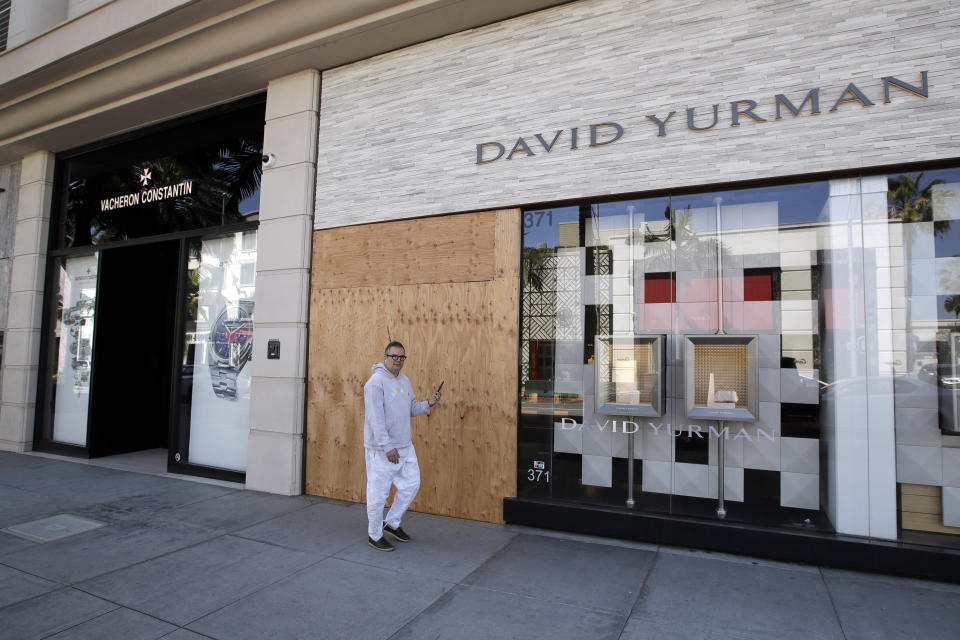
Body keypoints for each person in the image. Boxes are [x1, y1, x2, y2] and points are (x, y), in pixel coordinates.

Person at [363, 341, 441, 551]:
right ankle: (374, 535)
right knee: (378, 494)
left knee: (412, 484)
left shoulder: (404, 381)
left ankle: (392, 523)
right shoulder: (375, 383)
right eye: (394, 356)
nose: (398, 360)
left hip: (405, 446)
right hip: (382, 450)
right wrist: (387, 447)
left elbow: (411, 409)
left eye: (402, 357)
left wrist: (429, 404)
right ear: (385, 356)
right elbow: (375, 419)